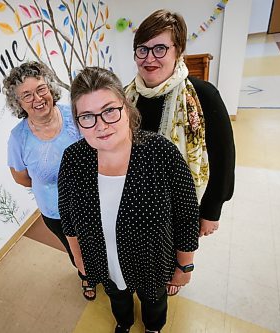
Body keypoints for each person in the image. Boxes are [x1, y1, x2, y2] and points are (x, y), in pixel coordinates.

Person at [59, 67, 199, 333]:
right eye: (87, 116)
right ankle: (124, 322)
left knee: (154, 302)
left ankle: (153, 327)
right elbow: (67, 217)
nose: (101, 125)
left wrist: (185, 264)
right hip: (103, 259)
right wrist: (80, 260)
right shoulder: (73, 160)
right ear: (78, 122)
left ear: (126, 107)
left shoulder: (160, 152)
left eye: (109, 110)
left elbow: (187, 214)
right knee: (118, 299)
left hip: (153, 261)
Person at [125, 10, 235, 244]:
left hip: (181, 206)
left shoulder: (203, 95)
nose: (149, 58)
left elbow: (223, 156)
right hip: (137, 201)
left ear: (179, 50)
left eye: (160, 48)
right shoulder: (127, 97)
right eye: (142, 49)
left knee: (174, 255)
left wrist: (211, 211)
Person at [3, 61, 95, 301]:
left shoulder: (74, 115)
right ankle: (86, 276)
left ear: (50, 88)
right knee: (74, 249)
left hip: (93, 199)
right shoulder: (18, 138)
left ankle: (109, 274)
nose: (37, 99)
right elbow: (22, 178)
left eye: (40, 89)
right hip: (55, 210)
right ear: (19, 103)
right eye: (26, 95)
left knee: (100, 240)